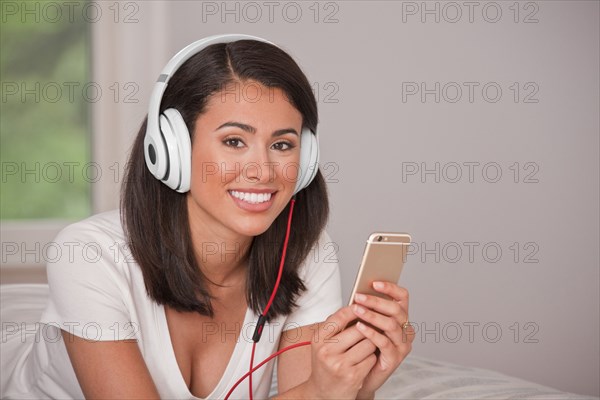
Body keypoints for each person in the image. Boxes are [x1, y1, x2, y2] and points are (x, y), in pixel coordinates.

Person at [2, 34, 414, 399]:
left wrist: (356, 388)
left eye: (283, 145)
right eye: (234, 141)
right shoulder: (86, 254)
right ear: (171, 151)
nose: (263, 171)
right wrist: (318, 395)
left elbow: (312, 391)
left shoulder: (305, 250)